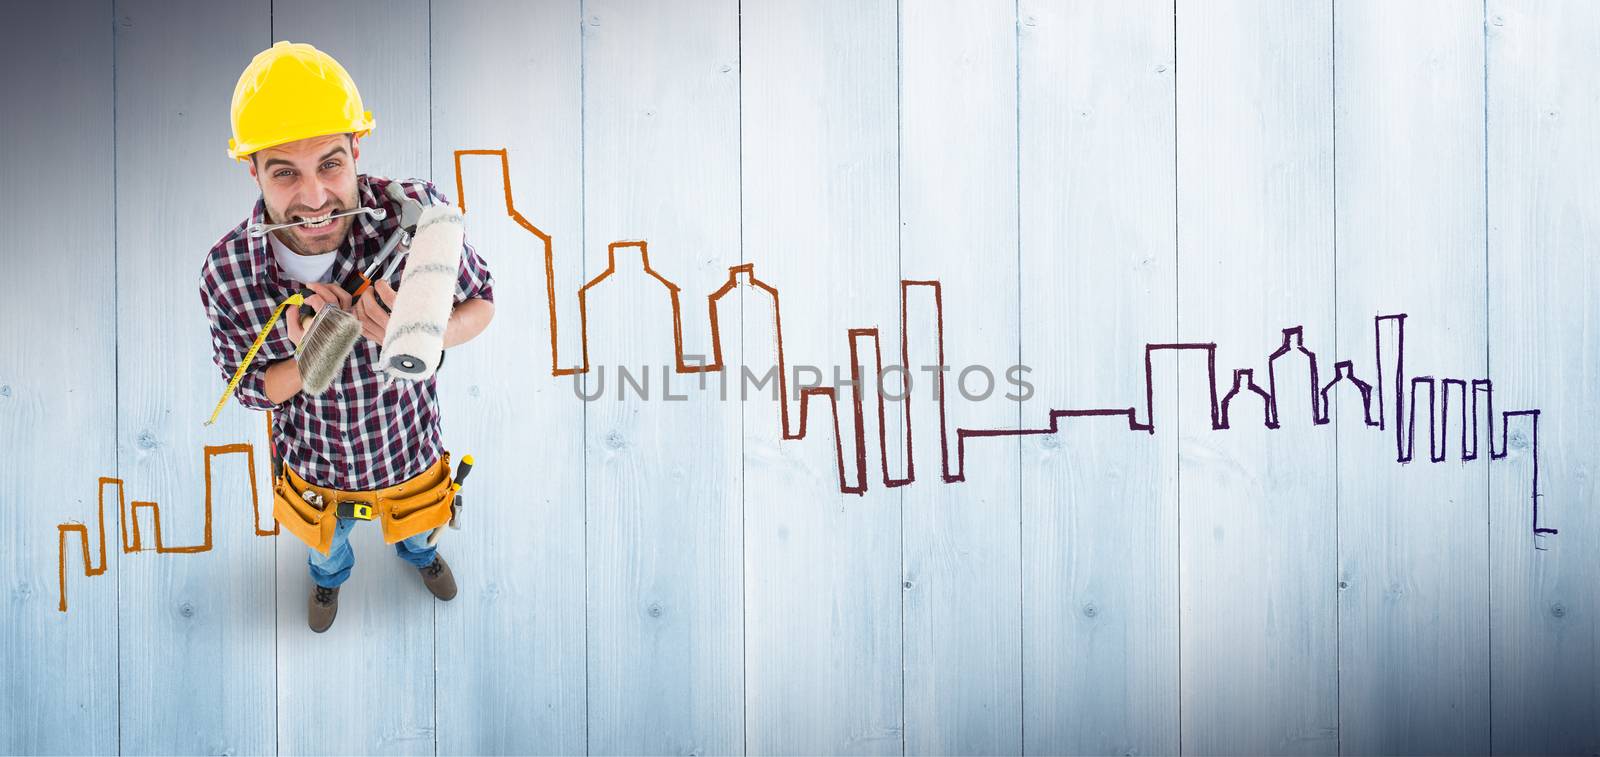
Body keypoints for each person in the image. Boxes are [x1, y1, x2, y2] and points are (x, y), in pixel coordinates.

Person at [199, 41, 495, 633]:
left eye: (331, 164)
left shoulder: (412, 214)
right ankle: (328, 584)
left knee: (417, 529)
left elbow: (481, 302)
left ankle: (422, 555)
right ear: (250, 168)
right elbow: (252, 389)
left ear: (357, 147)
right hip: (317, 471)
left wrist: (430, 334)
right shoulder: (228, 272)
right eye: (284, 172)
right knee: (325, 550)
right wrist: (306, 363)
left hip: (407, 451)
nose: (313, 199)